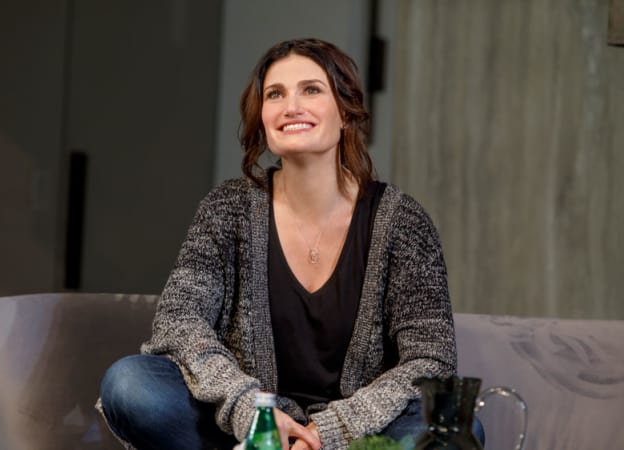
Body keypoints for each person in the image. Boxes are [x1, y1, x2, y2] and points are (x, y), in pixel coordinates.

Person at [99, 38, 479, 450]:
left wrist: (325, 433)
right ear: (262, 117)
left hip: (358, 433)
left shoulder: (403, 221)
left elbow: (430, 361)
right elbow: (179, 323)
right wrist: (252, 413)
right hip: (243, 429)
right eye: (275, 94)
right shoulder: (227, 208)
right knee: (130, 384)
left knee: (454, 430)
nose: (290, 106)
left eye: (311, 90)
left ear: (346, 112)